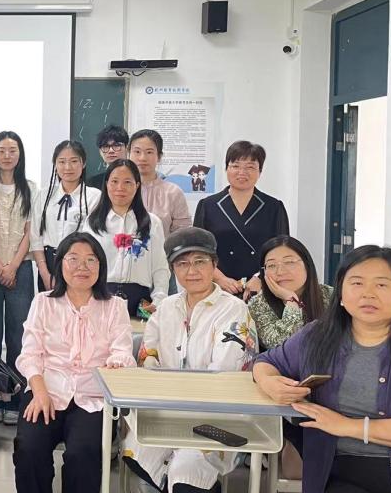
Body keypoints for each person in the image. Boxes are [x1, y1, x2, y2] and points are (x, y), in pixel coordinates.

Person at [254, 245, 391, 493]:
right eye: (357, 283)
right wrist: (270, 382)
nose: (368, 293)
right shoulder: (318, 336)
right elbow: (266, 361)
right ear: (341, 295)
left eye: (381, 285)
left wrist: (348, 426)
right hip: (336, 474)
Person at [124, 227, 258, 493]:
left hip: (217, 414)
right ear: (173, 269)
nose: (192, 271)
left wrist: (171, 386)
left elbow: (224, 370)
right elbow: (149, 355)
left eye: (200, 262)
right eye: (182, 264)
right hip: (166, 412)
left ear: (214, 265)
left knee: (187, 465)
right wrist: (156, 378)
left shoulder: (233, 310)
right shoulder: (166, 309)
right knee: (135, 452)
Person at [11, 232, 135, 493]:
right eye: (74, 259)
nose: (82, 267)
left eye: (91, 260)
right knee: (29, 448)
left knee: (84, 455)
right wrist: (39, 391)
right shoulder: (44, 302)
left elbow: (123, 351)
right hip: (46, 390)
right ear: (60, 264)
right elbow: (29, 354)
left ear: (101, 266)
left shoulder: (114, 306)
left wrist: (117, 364)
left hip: (92, 397)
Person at [0, 131, 36, 426]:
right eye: (1, 150)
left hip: (21, 269)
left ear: (20, 154)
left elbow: (30, 232)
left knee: (18, 335)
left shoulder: (31, 188)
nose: (7, 155)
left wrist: (12, 266)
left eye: (12, 150)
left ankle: (15, 397)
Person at [193, 140, 289, 299]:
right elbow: (198, 250)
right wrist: (220, 279)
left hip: (261, 289)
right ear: (226, 168)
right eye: (235, 166)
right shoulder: (208, 205)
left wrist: (260, 278)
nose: (242, 172)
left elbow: (282, 250)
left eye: (250, 167)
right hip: (217, 287)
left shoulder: (273, 207)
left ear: (260, 171)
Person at [82, 158, 169, 317]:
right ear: (106, 184)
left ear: (137, 185)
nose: (120, 188)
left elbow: (160, 267)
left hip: (140, 299)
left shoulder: (152, 223)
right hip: (101, 296)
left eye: (127, 182)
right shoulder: (93, 222)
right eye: (114, 181)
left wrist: (159, 299)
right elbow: (86, 264)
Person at [30, 141, 101, 291]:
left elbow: (94, 238)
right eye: (62, 162)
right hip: (48, 262)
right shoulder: (44, 195)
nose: (67, 167)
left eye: (74, 161)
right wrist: (44, 274)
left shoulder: (94, 197)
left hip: (81, 263)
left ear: (83, 163)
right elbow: (36, 235)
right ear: (55, 165)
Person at [248, 235, 333, 351]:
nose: (280, 271)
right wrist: (291, 300)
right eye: (271, 265)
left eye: (289, 262)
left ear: (307, 265)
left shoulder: (330, 295)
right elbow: (281, 347)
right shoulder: (257, 304)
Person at [128, 129, 192, 234]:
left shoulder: (173, 192)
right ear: (129, 154)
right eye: (137, 152)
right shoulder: (120, 190)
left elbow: (183, 233)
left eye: (149, 152)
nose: (142, 158)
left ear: (159, 157)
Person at [86, 124, 129, 190]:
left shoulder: (135, 178)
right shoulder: (91, 184)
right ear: (100, 151)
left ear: (127, 148)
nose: (111, 150)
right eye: (105, 146)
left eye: (116, 145)